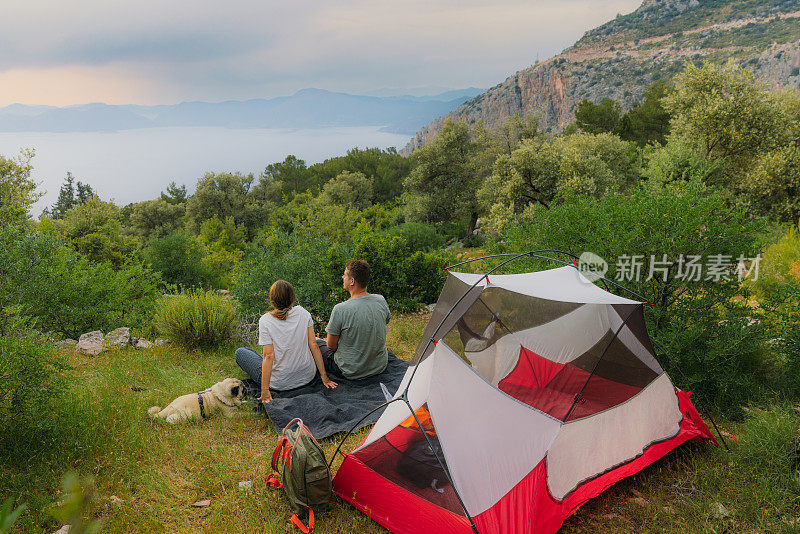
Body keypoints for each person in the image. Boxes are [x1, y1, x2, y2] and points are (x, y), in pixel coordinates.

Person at [235, 280, 337, 404]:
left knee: (241, 352)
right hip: (307, 376)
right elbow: (314, 345)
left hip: (280, 383)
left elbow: (269, 356)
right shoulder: (303, 313)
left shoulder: (265, 321)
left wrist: (265, 390)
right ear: (292, 298)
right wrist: (324, 377)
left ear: (272, 300)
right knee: (257, 354)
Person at [323, 259, 390, 380]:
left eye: (345, 275)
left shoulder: (340, 309)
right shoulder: (380, 300)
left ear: (352, 281)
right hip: (379, 366)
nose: (343, 277)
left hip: (351, 370)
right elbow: (384, 321)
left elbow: (331, 346)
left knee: (319, 347)